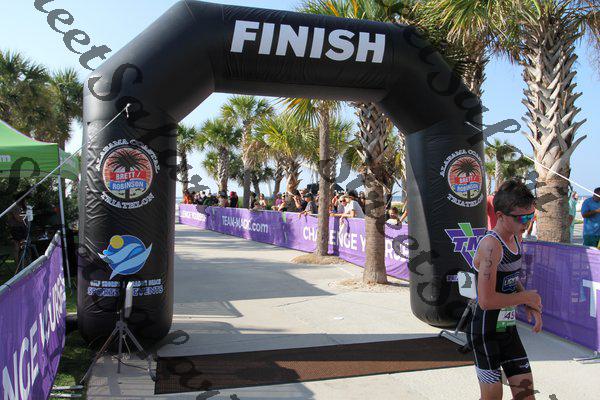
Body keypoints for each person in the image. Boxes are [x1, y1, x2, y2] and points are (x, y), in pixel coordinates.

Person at [468, 179, 542, 400]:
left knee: (526, 395)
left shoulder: (516, 237)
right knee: (492, 397)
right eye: (521, 218)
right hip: (484, 330)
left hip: (507, 328)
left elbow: (510, 277)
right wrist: (525, 297)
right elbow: (486, 301)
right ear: (500, 216)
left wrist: (528, 302)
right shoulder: (491, 245)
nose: (527, 223)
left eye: (531, 216)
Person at [6, 196, 27, 263]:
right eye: (24, 200)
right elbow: (19, 219)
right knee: (17, 246)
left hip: (21, 228)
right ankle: (18, 263)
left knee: (22, 245)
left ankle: (23, 262)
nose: (25, 202)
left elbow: (22, 218)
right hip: (15, 228)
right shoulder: (15, 207)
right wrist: (26, 214)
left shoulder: (20, 208)